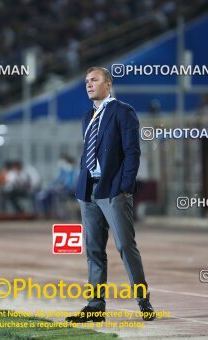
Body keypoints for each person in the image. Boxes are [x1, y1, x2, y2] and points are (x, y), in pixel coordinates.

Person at [66, 67, 154, 323]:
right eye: (86, 82)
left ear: (108, 84)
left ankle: (143, 299)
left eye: (94, 80)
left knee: (125, 245)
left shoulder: (123, 112)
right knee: (93, 248)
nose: (89, 85)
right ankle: (95, 306)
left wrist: (124, 186)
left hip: (113, 190)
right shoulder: (88, 117)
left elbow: (132, 152)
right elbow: (89, 152)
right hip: (88, 190)